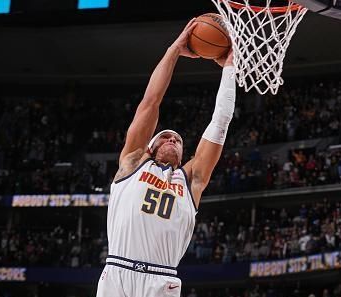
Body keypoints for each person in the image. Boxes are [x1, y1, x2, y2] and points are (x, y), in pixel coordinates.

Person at [96, 18, 236, 297]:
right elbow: (151, 101)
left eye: (178, 140)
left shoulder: (192, 180)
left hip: (161, 279)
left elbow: (219, 123)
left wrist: (230, 68)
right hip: (117, 273)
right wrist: (176, 48)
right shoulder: (133, 162)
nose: (172, 139)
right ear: (149, 147)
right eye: (165, 136)